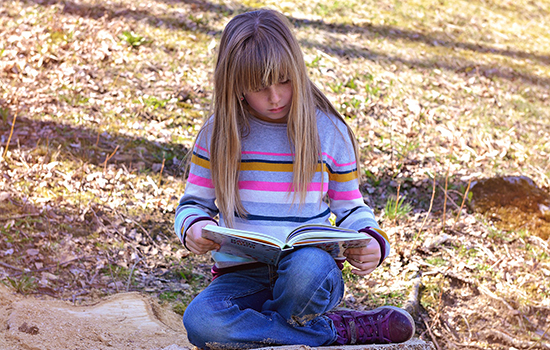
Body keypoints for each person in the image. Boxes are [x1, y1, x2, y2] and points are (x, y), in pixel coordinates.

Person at [174, 8, 414, 349]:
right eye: (259, 87)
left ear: (298, 72)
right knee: (201, 322)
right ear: (236, 85)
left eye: (284, 80)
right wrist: (193, 229)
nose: (275, 97)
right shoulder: (218, 135)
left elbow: (351, 207)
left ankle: (268, 332)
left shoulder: (328, 132)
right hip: (243, 277)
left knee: (306, 270)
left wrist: (372, 240)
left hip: (311, 271)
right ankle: (329, 331)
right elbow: (192, 204)